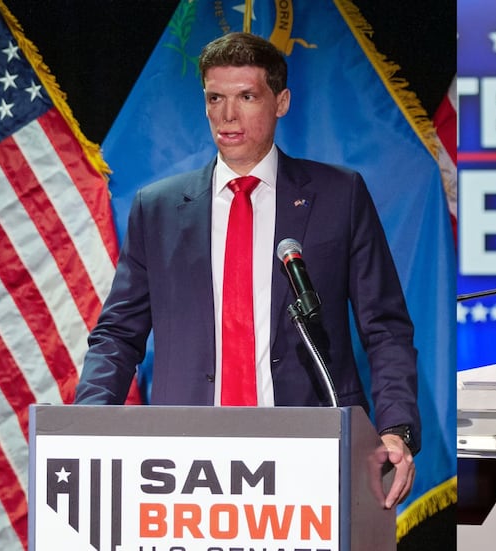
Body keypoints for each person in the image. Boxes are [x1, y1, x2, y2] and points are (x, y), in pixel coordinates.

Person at [74, 32, 419, 508]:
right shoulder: (157, 209)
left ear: (281, 102)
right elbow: (118, 334)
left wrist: (396, 428)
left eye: (246, 97)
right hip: (186, 459)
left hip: (311, 450)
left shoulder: (339, 196)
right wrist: (86, 420)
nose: (227, 115)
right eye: (215, 98)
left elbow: (385, 328)